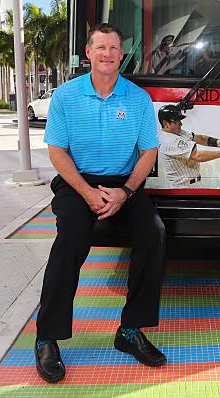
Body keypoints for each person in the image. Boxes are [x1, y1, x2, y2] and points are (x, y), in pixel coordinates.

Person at [35, 23, 166, 384]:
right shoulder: (66, 96)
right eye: (100, 47)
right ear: (88, 53)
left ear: (121, 55)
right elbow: (57, 151)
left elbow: (148, 152)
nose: (107, 53)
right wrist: (87, 193)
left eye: (114, 47)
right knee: (72, 238)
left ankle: (130, 330)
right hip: (78, 181)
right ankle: (48, 336)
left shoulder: (138, 98)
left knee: (153, 233)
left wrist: (124, 192)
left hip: (123, 183)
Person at [157, 105, 220, 187]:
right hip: (182, 188)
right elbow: (197, 156)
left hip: (193, 184)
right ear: (166, 123)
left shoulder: (178, 132)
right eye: (177, 121)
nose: (181, 123)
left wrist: (218, 143)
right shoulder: (167, 140)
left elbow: (199, 138)